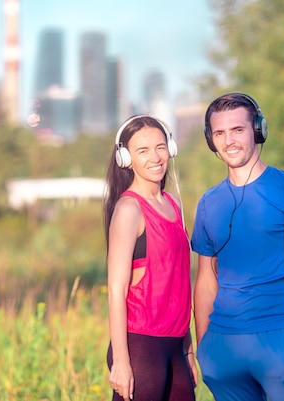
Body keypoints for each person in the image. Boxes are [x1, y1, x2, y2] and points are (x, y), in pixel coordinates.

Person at [191, 93, 284, 400]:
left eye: (238, 130)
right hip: (224, 350)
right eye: (220, 133)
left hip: (281, 339)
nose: (229, 141)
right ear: (211, 140)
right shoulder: (208, 203)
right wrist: (205, 352)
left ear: (257, 130)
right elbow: (205, 282)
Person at [104, 115, 197, 401]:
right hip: (141, 344)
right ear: (125, 158)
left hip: (175, 345)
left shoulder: (174, 203)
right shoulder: (129, 210)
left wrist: (187, 349)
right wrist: (121, 362)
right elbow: (116, 292)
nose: (155, 157)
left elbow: (177, 283)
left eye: (160, 147)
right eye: (143, 151)